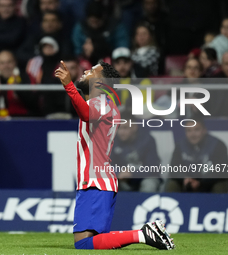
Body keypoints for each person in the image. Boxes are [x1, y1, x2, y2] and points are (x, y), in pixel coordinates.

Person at [55, 60, 174, 250]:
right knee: (98, 242)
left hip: (95, 182)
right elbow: (85, 108)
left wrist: (69, 85)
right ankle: (145, 233)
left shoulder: (101, 103)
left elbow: (85, 114)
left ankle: (144, 234)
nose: (86, 70)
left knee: (84, 243)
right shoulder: (106, 104)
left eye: (93, 70)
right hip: (101, 181)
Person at [165, 119, 228, 193]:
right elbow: (174, 168)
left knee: (220, 185)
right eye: (189, 130)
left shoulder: (217, 144)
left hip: (210, 182)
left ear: (204, 130)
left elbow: (222, 169)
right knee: (172, 184)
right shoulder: (180, 145)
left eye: (196, 130)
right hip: (188, 182)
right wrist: (185, 178)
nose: (193, 134)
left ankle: (219, 204)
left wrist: (201, 182)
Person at [110, 114, 161, 193]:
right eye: (118, 128)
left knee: (149, 185)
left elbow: (153, 168)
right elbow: (107, 165)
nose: (121, 132)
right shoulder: (113, 141)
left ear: (135, 127)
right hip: (121, 177)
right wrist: (118, 172)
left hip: (144, 177)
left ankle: (146, 205)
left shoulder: (148, 140)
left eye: (125, 128)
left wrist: (132, 174)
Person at [0, 50, 35, 117]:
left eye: (9, 62)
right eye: (2, 63)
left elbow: (35, 107)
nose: (6, 66)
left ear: (15, 63)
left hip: (22, 121)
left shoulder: (25, 78)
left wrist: (18, 89)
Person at [203, 51, 228, 117]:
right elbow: (202, 95)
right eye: (227, 64)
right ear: (222, 66)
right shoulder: (214, 79)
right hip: (215, 119)